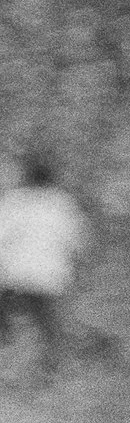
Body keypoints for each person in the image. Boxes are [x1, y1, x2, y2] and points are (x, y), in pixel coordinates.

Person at [0, 153, 88, 377]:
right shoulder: (62, 204)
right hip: (50, 277)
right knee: (48, 325)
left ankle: (9, 354)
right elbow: (79, 242)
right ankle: (53, 367)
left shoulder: (15, 201)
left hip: (16, 275)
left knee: (8, 319)